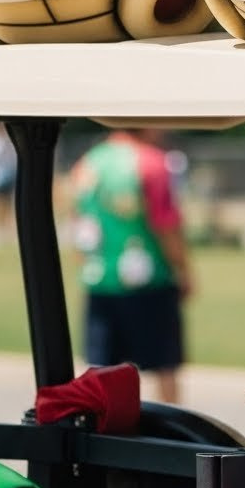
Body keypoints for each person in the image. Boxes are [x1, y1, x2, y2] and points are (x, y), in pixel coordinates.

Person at [70, 128, 192, 404]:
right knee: (165, 367)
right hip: (150, 281)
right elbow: (167, 227)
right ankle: (170, 441)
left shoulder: (88, 163)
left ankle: (104, 434)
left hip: (101, 280)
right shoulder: (153, 163)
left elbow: (79, 224)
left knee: (101, 370)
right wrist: (184, 271)